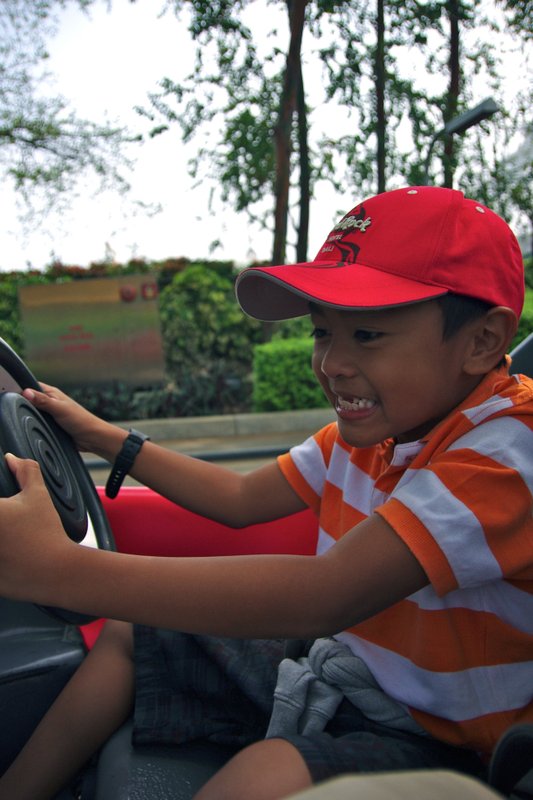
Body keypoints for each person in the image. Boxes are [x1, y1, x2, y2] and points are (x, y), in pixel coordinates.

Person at [0, 185, 531, 800]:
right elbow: (239, 498)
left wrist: (57, 570)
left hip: (447, 736)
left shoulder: (506, 452)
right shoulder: (376, 431)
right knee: (132, 634)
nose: (331, 363)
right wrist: (105, 438)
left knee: (264, 775)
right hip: (349, 671)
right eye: (323, 333)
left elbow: (325, 595)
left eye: (366, 335)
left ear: (482, 342)